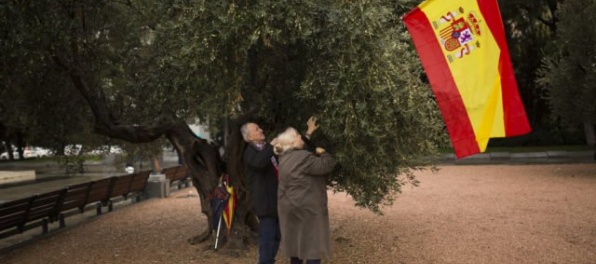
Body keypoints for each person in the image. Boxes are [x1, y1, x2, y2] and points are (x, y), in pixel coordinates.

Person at [273, 126, 336, 264]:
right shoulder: (304, 157)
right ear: (292, 142)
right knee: (313, 245)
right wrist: (323, 153)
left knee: (296, 245)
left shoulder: (283, 157)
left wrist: (308, 133)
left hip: (289, 208)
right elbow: (327, 165)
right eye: (297, 135)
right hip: (308, 208)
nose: (300, 137)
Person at [241, 122, 281, 264]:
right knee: (268, 238)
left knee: (277, 236)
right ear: (249, 136)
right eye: (257, 129)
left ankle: (269, 260)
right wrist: (271, 145)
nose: (261, 130)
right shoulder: (250, 152)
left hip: (276, 200)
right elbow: (259, 163)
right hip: (264, 202)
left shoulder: (265, 149)